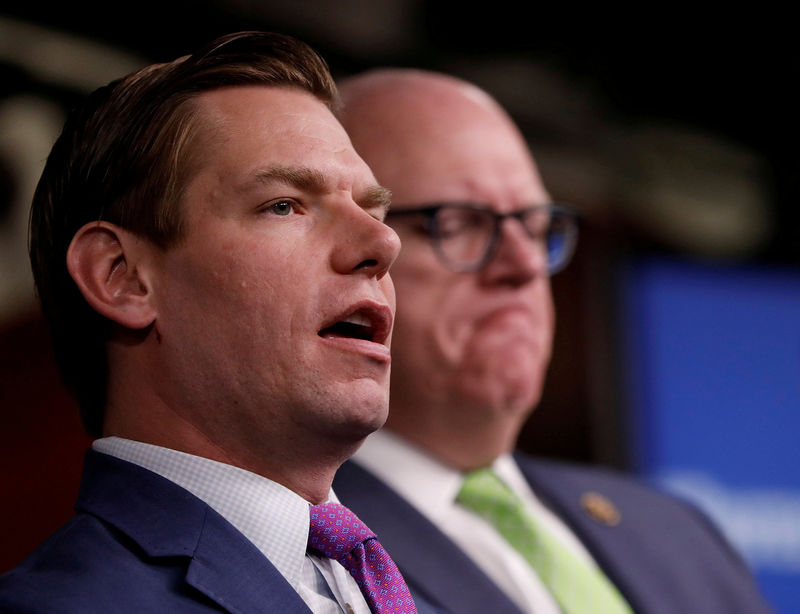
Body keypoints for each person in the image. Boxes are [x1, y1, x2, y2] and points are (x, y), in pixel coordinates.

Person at [0, 32, 437, 614]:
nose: (383, 242)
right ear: (123, 277)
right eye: (284, 205)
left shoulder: (394, 588)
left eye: (373, 209)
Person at [332, 69, 774, 614]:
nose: (523, 266)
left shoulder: (679, 534)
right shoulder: (304, 547)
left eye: (535, 225)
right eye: (457, 224)